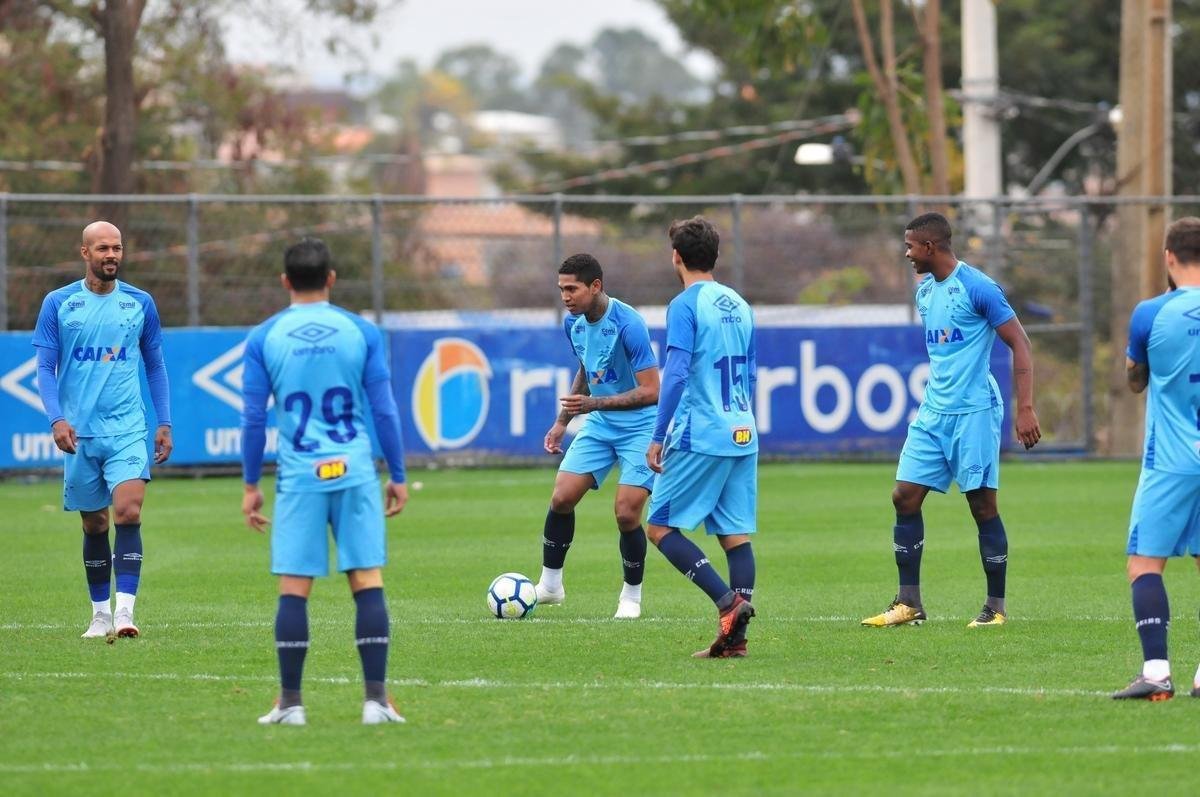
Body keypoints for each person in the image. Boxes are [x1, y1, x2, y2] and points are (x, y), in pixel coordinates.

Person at [240, 237, 409, 726]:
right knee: (366, 578)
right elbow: (383, 408)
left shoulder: (264, 337)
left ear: (285, 281)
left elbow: (253, 419)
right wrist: (396, 474)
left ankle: (290, 705)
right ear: (332, 279)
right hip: (354, 469)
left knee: (294, 586)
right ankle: (376, 701)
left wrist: (251, 485)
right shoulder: (361, 332)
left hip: (299, 476)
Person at [861, 212, 1041, 629]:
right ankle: (909, 604)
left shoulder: (978, 288)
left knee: (982, 505)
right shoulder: (925, 293)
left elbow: (1021, 343)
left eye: (910, 246)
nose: (906, 254)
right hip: (934, 412)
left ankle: (995, 607)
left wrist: (1026, 407)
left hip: (974, 412)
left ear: (930, 247)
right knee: (904, 496)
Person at [33, 221, 173, 640]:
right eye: (103, 249)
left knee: (128, 511)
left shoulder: (140, 302)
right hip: (80, 433)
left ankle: (126, 612)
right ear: (85, 253)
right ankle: (99, 615)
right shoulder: (58, 304)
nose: (111, 255)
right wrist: (56, 418)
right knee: (94, 524)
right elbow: (43, 366)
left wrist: (163, 421)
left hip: (128, 427)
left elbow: (155, 364)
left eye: (117, 248)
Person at [644, 216, 758, 658]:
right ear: (714, 255)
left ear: (677, 257)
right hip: (742, 429)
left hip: (702, 432)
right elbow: (750, 374)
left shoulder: (685, 305)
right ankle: (735, 640)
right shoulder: (740, 304)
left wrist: (659, 434)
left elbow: (674, 373)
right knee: (735, 535)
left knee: (658, 527)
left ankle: (729, 602)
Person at [537, 253, 660, 619]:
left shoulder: (629, 323)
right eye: (561, 289)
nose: (565, 297)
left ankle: (631, 597)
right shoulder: (572, 323)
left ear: (596, 286)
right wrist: (562, 422)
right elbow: (586, 368)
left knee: (626, 513)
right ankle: (550, 585)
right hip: (600, 421)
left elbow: (652, 390)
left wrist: (592, 404)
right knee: (561, 498)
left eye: (572, 288)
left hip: (640, 425)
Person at [1112, 217, 1200, 701]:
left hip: (1172, 459)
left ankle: (1157, 671)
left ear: (1169, 257)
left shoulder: (1150, 313)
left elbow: (1135, 379)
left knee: (1145, 563)